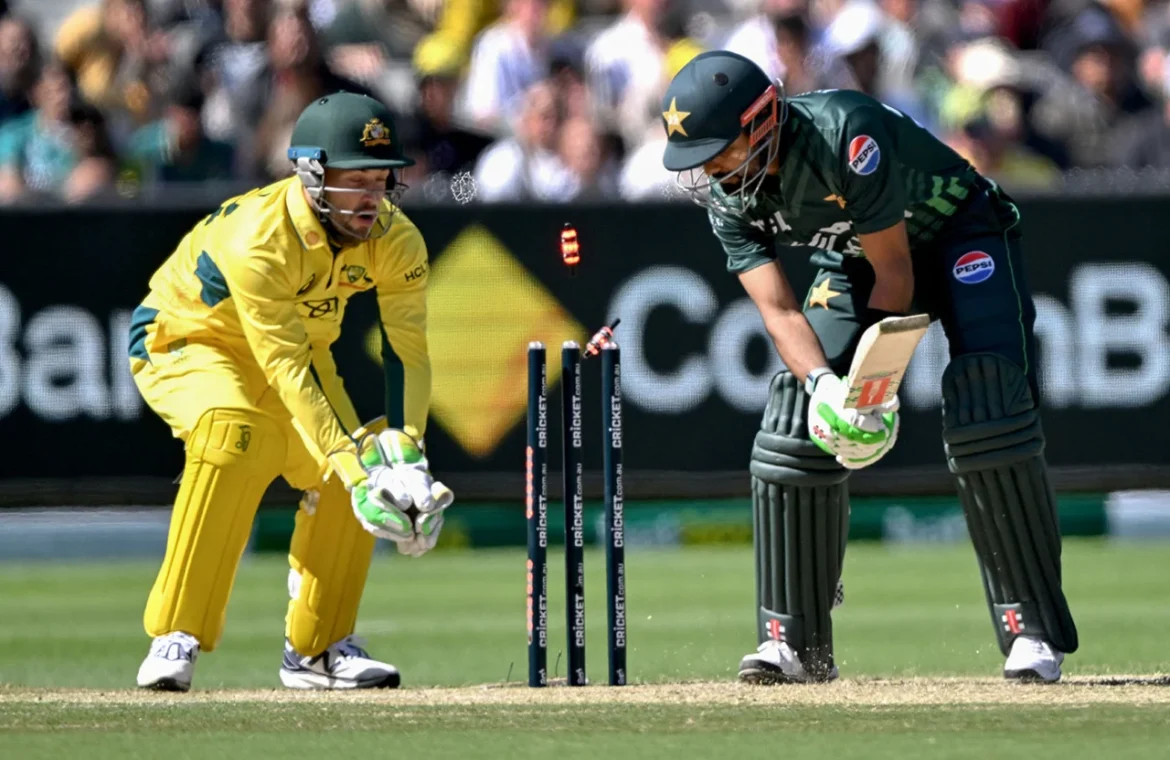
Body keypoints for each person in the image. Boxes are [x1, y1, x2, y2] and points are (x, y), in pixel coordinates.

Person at [659, 51, 1078, 684]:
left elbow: (898, 272)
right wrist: (828, 387)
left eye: (721, 150)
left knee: (986, 405)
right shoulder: (728, 200)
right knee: (794, 419)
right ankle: (794, 643)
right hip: (853, 262)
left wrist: (871, 390)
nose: (712, 170)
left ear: (764, 118)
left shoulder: (842, 134)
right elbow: (777, 311)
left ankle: (1033, 632)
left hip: (958, 235)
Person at [128, 91, 454, 692]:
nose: (372, 198)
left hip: (298, 353)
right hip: (187, 340)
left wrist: (407, 454)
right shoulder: (261, 239)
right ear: (310, 175)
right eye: (354, 180)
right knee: (234, 432)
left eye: (381, 180)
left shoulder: (396, 238)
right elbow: (282, 369)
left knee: (364, 459)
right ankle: (177, 633)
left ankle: (318, 650)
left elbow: (407, 350)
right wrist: (362, 478)